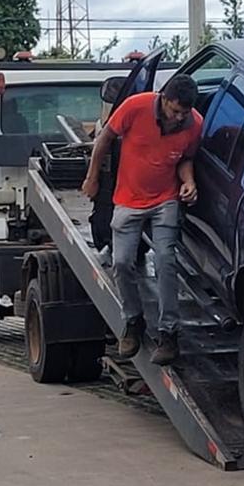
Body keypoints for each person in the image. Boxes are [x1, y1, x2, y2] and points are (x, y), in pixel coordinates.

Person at [81, 74, 203, 366]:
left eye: (183, 113)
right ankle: (133, 321)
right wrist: (92, 178)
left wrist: (189, 182)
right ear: (163, 98)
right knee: (122, 262)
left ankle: (169, 332)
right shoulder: (134, 107)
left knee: (165, 260)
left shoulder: (194, 123)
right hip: (128, 199)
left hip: (165, 200)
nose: (178, 118)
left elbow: (186, 158)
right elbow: (104, 139)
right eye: (174, 111)